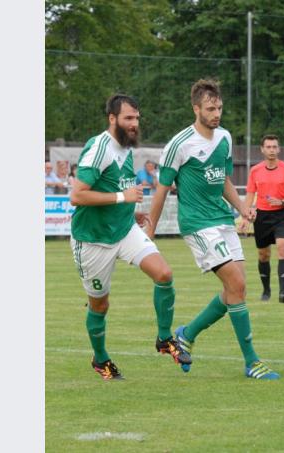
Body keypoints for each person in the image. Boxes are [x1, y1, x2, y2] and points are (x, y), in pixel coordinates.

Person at [147, 79, 279, 380]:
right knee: (234, 281)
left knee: (237, 287)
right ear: (196, 109)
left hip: (222, 219)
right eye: (210, 108)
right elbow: (162, 189)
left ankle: (187, 334)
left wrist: (242, 208)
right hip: (197, 223)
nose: (216, 113)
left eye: (219, 107)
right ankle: (251, 361)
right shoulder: (179, 144)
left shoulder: (225, 138)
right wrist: (151, 229)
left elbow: (223, 181)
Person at [69, 94, 189, 380]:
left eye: (137, 118)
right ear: (112, 119)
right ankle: (100, 360)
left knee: (164, 274)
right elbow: (77, 195)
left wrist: (127, 209)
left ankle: (163, 339)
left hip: (123, 230)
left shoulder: (126, 148)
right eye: (128, 119)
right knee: (100, 304)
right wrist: (123, 196)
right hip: (93, 240)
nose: (134, 124)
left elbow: (112, 188)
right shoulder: (100, 148)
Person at [242, 134, 284, 303]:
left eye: (275, 147)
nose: (272, 150)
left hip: (281, 215)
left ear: (279, 149)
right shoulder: (255, 171)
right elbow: (250, 194)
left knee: (282, 247)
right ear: (262, 149)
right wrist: (245, 216)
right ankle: (266, 291)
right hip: (262, 216)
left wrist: (282, 201)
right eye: (268, 147)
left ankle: (283, 292)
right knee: (263, 255)